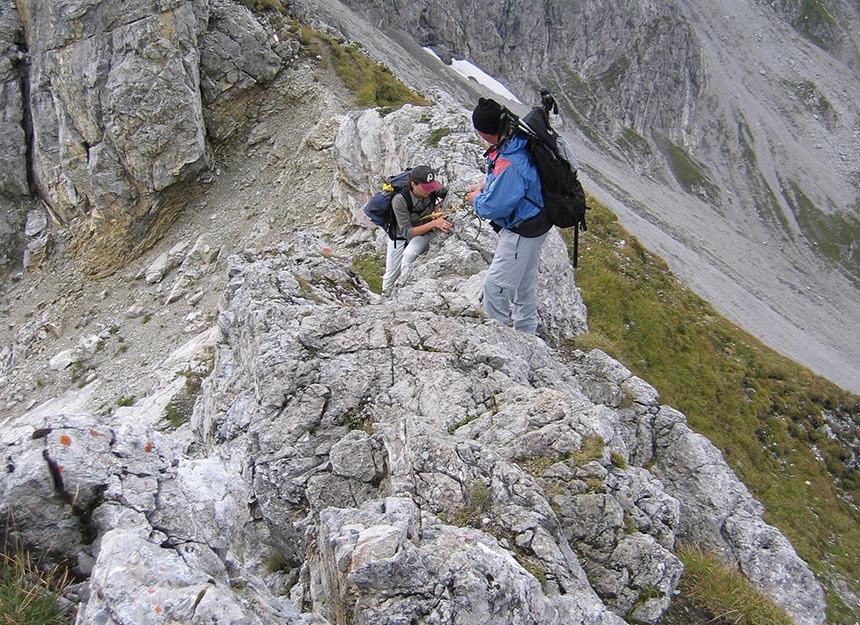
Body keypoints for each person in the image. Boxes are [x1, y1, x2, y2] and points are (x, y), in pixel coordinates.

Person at [465, 97, 552, 335]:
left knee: (496, 287)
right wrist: (486, 185)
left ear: (485, 133)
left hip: (522, 229)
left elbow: (494, 208)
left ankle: (499, 338)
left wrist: (476, 200)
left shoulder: (510, 161)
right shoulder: (517, 139)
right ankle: (526, 333)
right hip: (537, 222)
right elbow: (511, 181)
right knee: (524, 284)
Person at [382, 165, 452, 294]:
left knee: (408, 258)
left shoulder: (432, 190)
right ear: (413, 184)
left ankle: (403, 290)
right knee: (391, 274)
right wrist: (434, 223)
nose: (430, 191)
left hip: (423, 232)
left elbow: (449, 193)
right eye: (426, 188)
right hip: (400, 236)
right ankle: (385, 297)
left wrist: (439, 206)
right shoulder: (400, 200)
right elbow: (407, 232)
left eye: (431, 187)